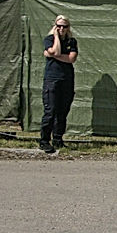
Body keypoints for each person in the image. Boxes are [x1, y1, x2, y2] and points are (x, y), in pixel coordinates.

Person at [40, 15, 78, 153]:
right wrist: (56, 37)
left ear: (68, 28)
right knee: (50, 111)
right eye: (59, 26)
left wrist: (54, 55)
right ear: (55, 26)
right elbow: (55, 50)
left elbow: (71, 58)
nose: (62, 29)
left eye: (64, 26)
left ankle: (58, 139)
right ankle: (44, 140)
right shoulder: (49, 39)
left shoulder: (71, 41)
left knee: (63, 111)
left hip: (66, 79)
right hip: (52, 79)